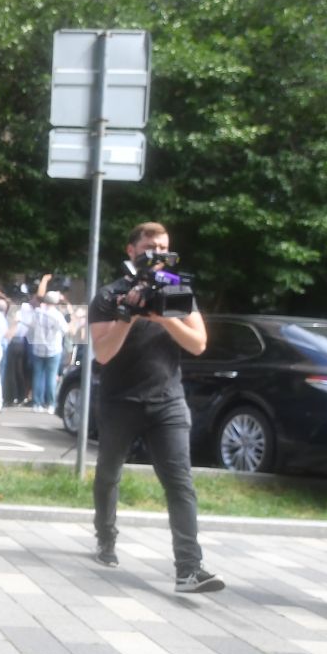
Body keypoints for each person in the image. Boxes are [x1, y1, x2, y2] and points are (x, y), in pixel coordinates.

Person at [88, 222, 222, 593]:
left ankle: (189, 568)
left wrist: (163, 316)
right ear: (131, 251)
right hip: (119, 400)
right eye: (149, 247)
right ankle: (106, 537)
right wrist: (128, 317)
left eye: (163, 248)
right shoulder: (109, 295)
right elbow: (103, 354)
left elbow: (198, 344)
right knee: (109, 472)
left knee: (180, 483)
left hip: (167, 401)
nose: (157, 255)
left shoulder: (178, 289)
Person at [25, 291, 69, 414]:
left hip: (38, 348)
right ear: (56, 302)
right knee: (51, 377)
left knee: (37, 376)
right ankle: (50, 404)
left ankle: (36, 403)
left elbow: (31, 326)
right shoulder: (57, 315)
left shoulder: (38, 313)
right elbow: (66, 330)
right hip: (53, 348)